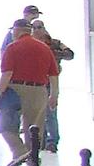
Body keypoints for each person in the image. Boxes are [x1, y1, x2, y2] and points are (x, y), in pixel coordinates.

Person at [0, 17, 56, 166]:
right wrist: (54, 95)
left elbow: (7, 73)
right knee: (34, 129)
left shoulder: (12, 47)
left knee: (5, 125)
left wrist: (0, 92)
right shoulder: (44, 48)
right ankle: (33, 160)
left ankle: (19, 151)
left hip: (16, 89)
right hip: (40, 90)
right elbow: (53, 74)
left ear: (17, 30)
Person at [31, 19, 75, 151]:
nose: (37, 30)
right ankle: (40, 140)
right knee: (36, 114)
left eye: (40, 27)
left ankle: (52, 141)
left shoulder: (55, 43)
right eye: (35, 28)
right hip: (34, 82)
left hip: (50, 81)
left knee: (51, 113)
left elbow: (70, 54)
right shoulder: (30, 44)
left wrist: (52, 54)